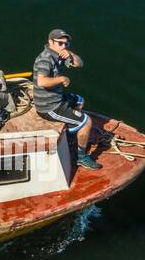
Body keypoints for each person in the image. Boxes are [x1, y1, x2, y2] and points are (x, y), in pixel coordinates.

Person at [32, 29, 101, 171]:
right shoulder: (46, 59)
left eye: (66, 43)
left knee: (80, 101)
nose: (63, 46)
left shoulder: (60, 55)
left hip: (58, 98)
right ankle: (80, 157)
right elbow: (41, 81)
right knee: (87, 122)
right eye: (60, 43)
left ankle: (71, 132)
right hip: (49, 107)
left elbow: (79, 64)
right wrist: (61, 79)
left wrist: (71, 54)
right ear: (50, 42)